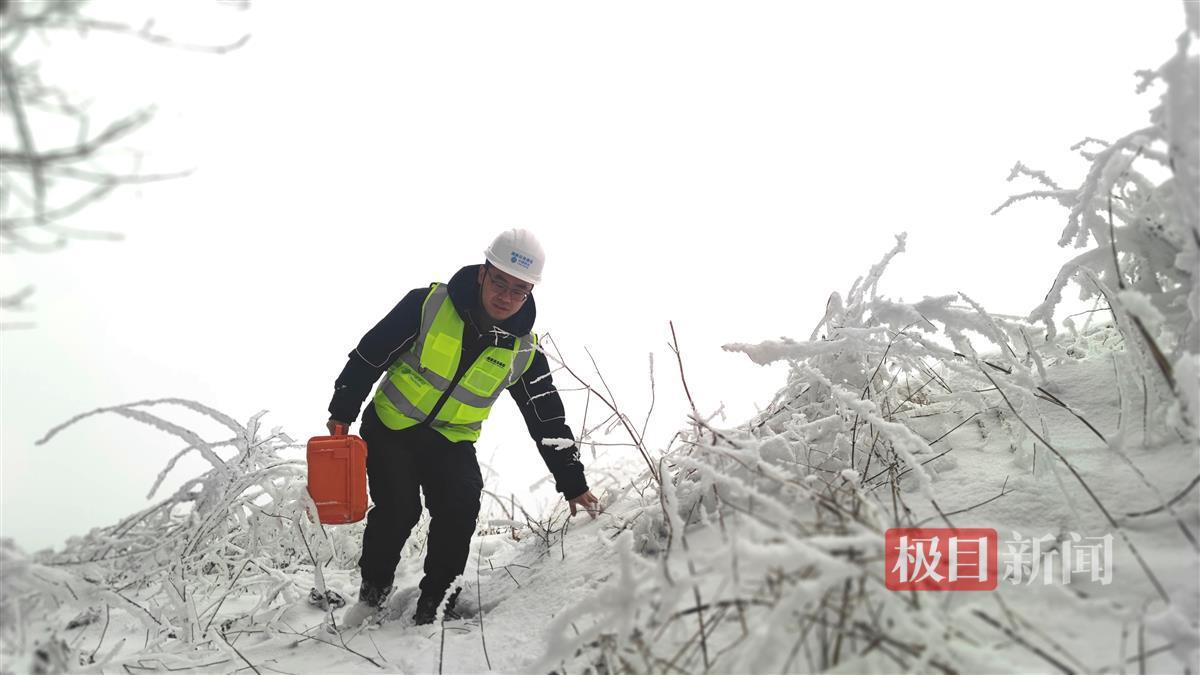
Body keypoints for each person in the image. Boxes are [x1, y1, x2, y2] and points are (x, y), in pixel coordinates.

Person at [326, 227, 601, 627]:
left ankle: (435, 604)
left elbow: (547, 418)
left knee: (461, 502)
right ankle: (372, 594)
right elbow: (370, 354)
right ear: (482, 273)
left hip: (450, 442)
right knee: (399, 509)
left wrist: (573, 482)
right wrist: (342, 411)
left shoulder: (525, 350)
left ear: (530, 292)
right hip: (391, 427)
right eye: (499, 282)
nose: (505, 296)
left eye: (518, 289)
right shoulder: (427, 305)